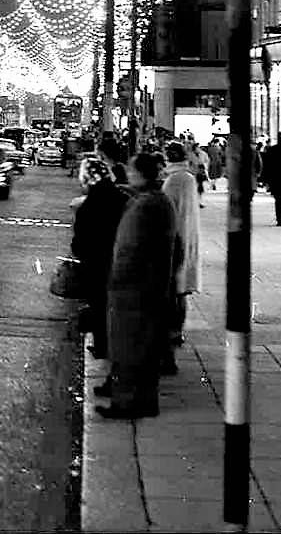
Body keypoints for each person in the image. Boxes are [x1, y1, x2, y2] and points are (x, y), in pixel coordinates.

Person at [97, 152, 176, 420]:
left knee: (129, 348)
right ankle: (138, 400)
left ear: (141, 174)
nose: (128, 174)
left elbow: (130, 249)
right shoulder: (156, 200)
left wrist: (117, 281)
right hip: (145, 287)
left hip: (134, 290)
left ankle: (129, 402)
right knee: (139, 347)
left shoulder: (146, 205)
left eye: (132, 171)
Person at [71, 158, 128, 360]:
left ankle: (102, 346)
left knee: (99, 306)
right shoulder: (121, 196)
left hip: (97, 264)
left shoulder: (90, 204)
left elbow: (80, 242)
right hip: (120, 261)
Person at [161, 141, 200, 356]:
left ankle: (173, 331)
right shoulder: (189, 178)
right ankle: (177, 330)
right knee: (182, 291)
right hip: (188, 238)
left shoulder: (173, 181)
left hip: (175, 241)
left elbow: (166, 210)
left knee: (174, 291)